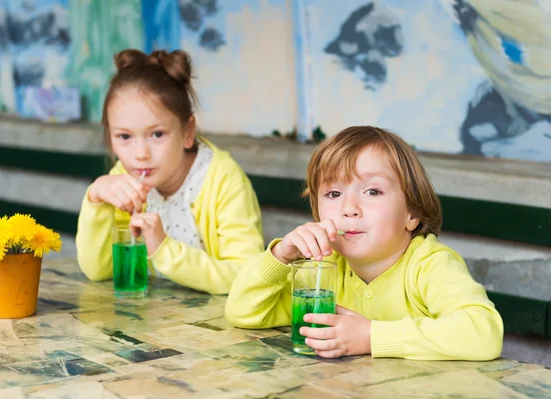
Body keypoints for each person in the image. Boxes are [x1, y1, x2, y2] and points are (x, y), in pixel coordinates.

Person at [225, 126, 503, 360]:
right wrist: (279, 257)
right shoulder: (322, 270)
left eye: (372, 191)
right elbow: (244, 313)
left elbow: (484, 333)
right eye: (333, 193)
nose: (349, 208)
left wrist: (371, 337)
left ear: (412, 214)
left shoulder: (429, 265)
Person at [76, 48, 264, 294]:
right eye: (124, 136)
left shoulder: (222, 180)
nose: (141, 153)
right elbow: (98, 270)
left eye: (157, 134)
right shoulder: (123, 177)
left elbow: (245, 276)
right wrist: (96, 199)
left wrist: (164, 249)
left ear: (187, 132)